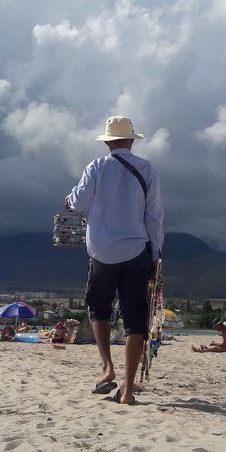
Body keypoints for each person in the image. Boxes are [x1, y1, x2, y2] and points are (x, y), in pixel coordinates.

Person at [65, 115, 164, 405]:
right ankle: (128, 390)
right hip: (137, 252)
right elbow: (154, 217)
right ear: (132, 141)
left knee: (99, 309)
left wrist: (68, 199)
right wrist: (156, 255)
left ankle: (107, 367)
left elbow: (79, 201)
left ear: (108, 142)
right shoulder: (147, 169)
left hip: (102, 253)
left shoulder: (96, 167)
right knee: (136, 322)